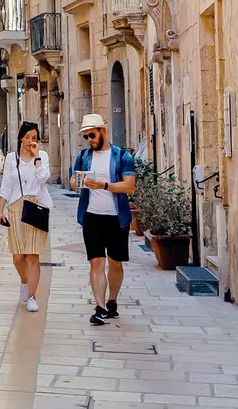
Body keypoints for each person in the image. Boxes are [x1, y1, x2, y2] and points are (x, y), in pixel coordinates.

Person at [71, 113, 136, 326]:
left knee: (114, 263)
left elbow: (129, 185)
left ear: (102, 131)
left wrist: (104, 186)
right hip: (92, 217)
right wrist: (77, 182)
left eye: (92, 135)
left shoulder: (121, 156)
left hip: (116, 218)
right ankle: (99, 308)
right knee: (96, 261)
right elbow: (73, 181)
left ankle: (112, 301)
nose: (89, 140)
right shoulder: (83, 157)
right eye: (86, 136)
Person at [0, 121, 50, 312]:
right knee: (18, 257)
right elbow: (6, 185)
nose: (30, 141)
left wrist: (36, 158)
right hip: (15, 207)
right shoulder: (12, 158)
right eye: (27, 137)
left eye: (34, 138)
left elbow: (44, 178)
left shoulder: (42, 156)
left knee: (32, 256)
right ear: (21, 137)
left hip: (36, 206)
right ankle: (24, 281)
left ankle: (32, 297)